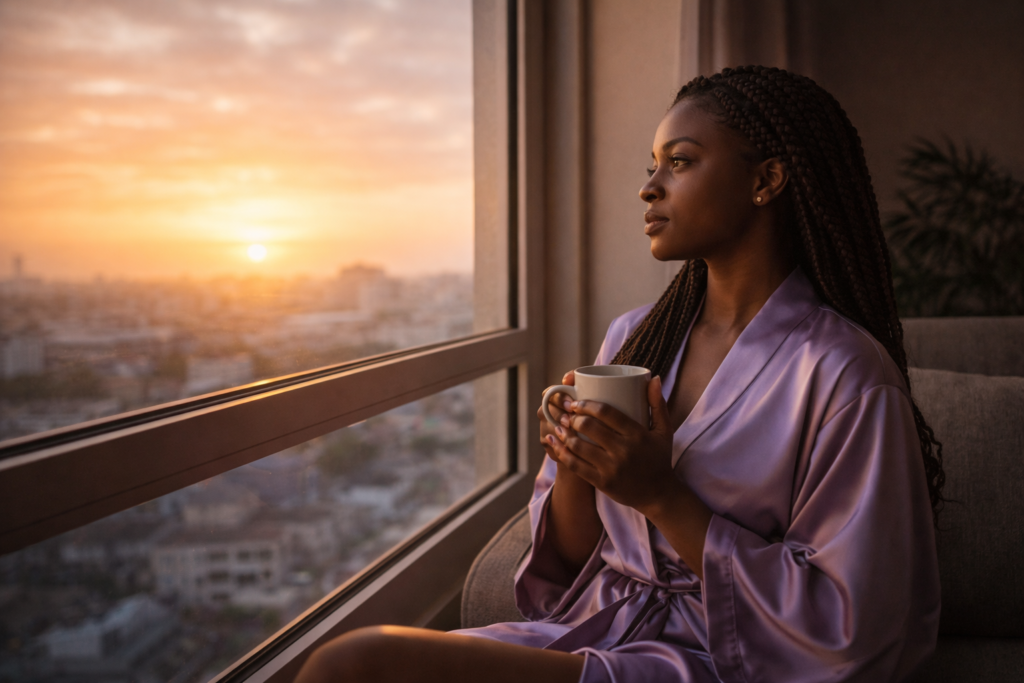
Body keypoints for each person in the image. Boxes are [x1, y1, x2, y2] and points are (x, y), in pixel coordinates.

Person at [294, 66, 943, 683]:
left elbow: (852, 626)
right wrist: (578, 462)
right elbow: (575, 560)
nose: (650, 186)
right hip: (600, 629)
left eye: (680, 161)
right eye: (652, 165)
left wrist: (660, 494)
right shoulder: (638, 339)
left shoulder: (842, 369)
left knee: (357, 663)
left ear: (766, 179)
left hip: (724, 658)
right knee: (349, 664)